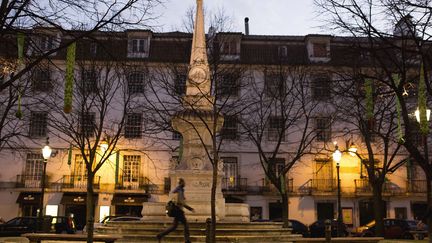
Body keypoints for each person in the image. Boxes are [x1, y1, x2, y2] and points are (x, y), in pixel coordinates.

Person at [157, 178, 194, 243]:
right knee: (186, 224)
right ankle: (187, 240)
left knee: (174, 227)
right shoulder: (179, 190)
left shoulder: (179, 190)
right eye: (183, 182)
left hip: (177, 210)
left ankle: (160, 235)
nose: (184, 183)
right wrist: (189, 208)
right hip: (179, 210)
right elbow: (181, 202)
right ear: (181, 183)